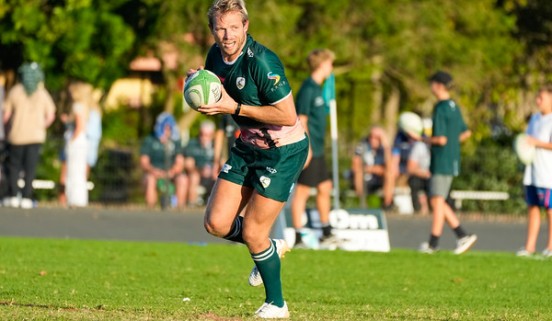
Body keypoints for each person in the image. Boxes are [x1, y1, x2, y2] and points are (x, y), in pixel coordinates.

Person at [193, 0, 309, 318]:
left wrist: (234, 108)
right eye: (220, 28)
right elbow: (216, 89)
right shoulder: (214, 55)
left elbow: (287, 115)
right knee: (215, 223)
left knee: (253, 233)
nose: (227, 35)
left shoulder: (263, 62)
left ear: (246, 25)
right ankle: (269, 248)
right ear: (212, 30)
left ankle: (277, 304)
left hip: (282, 150)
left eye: (234, 27)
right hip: (247, 146)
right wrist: (198, 84)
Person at [419, 71, 477, 254]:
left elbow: (441, 139)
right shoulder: (454, 106)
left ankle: (436, 243)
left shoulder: (441, 108)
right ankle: (460, 236)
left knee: (437, 201)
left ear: (439, 85)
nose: (430, 87)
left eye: (432, 83)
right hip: (452, 159)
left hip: (441, 159)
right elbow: (465, 133)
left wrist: (421, 139)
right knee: (439, 200)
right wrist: (452, 143)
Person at [290, 49, 336, 249]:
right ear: (321, 65)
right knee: (302, 191)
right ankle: (299, 236)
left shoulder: (319, 88)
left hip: (319, 148)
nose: (331, 68)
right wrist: (306, 148)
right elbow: (302, 120)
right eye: (329, 64)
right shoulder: (308, 88)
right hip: (310, 148)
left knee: (325, 188)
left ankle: (326, 233)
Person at [2, 62, 56, 209]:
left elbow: (6, 116)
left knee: (14, 166)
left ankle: (13, 195)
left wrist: (7, 131)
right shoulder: (42, 94)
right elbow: (51, 116)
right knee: (30, 167)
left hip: (16, 135)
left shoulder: (15, 91)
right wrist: (41, 126)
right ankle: (26, 196)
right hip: (35, 136)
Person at [516, 85, 552, 257]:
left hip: (548, 174)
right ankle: (529, 247)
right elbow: (526, 139)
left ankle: (551, 246)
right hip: (532, 172)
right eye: (537, 97)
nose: (538, 101)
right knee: (533, 207)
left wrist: (536, 142)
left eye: (541, 98)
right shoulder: (535, 118)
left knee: (550, 209)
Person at [139, 112, 186, 209]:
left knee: (183, 179)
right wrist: (154, 171)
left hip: (171, 173)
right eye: (165, 128)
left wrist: (171, 172)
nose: (167, 131)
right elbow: (144, 162)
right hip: (154, 173)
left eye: (169, 128)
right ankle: (151, 207)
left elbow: (180, 162)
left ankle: (179, 208)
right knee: (150, 179)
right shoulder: (150, 140)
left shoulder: (176, 142)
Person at [64, 81, 93, 207]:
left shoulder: (77, 106)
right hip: (83, 141)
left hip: (77, 141)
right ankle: (79, 199)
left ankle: (74, 198)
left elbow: (80, 126)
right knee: (80, 171)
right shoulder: (86, 106)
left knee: (74, 170)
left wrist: (72, 139)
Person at [351, 126, 391, 208]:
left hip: (379, 179)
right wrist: (372, 169)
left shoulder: (384, 148)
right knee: (358, 172)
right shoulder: (362, 145)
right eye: (371, 136)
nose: (373, 139)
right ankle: (362, 204)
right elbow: (355, 165)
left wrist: (386, 146)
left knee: (390, 173)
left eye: (377, 137)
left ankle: (388, 204)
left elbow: (390, 166)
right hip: (364, 178)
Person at [183, 120, 216, 206]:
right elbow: (188, 163)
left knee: (221, 177)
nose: (203, 137)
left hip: (213, 174)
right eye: (202, 134)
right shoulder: (192, 144)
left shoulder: (216, 145)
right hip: (196, 173)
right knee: (194, 177)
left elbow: (223, 161)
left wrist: (214, 170)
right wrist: (200, 170)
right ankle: (192, 205)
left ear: (212, 135)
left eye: (207, 135)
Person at [407, 132, 431, 215]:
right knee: (414, 182)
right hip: (422, 176)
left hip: (434, 177)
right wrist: (425, 174)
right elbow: (410, 168)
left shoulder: (442, 146)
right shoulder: (419, 146)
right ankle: (417, 210)